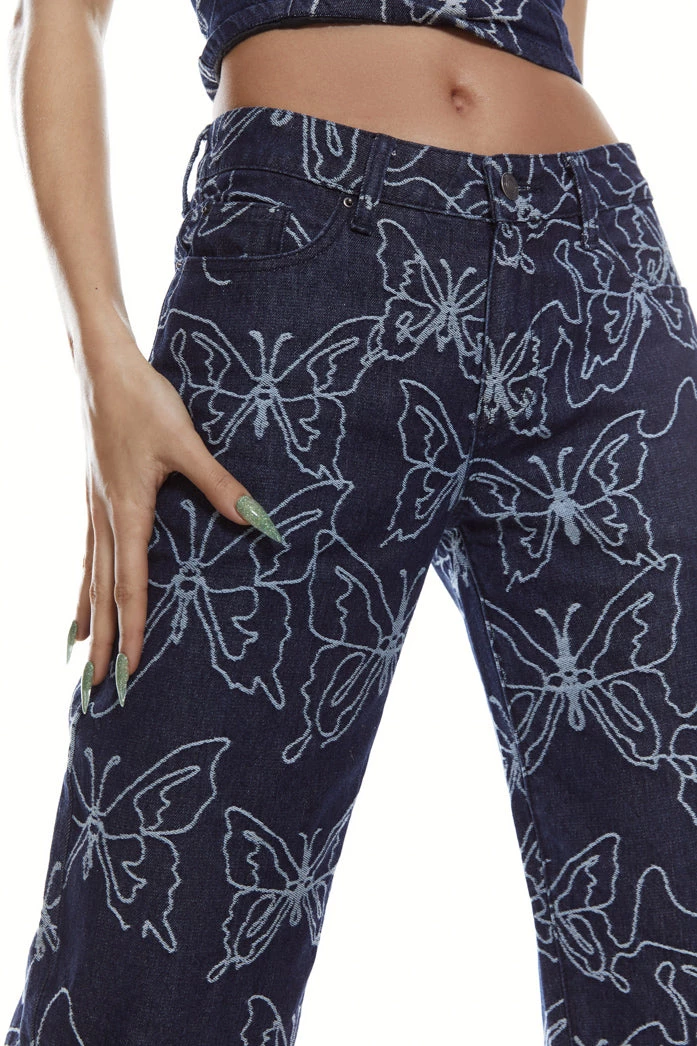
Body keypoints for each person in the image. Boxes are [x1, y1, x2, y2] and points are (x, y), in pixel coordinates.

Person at [5, 1, 697, 1043]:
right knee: (158, 934)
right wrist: (103, 362)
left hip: (598, 276)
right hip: (297, 271)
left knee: (670, 916)